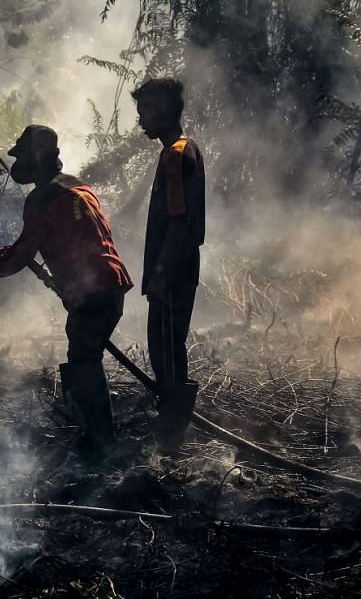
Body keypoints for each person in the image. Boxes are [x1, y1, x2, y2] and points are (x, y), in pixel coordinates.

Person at [0, 125, 133, 454]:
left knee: (83, 363)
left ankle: (101, 447)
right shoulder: (76, 186)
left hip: (94, 289)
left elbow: (23, 254)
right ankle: (94, 439)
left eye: (22, 157)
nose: (16, 165)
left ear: (38, 157)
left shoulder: (43, 197)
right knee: (83, 357)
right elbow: (30, 246)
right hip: (109, 284)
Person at [131, 78, 205, 451]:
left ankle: (173, 434)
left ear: (161, 110)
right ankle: (172, 427)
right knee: (168, 347)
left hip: (172, 272)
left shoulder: (176, 154)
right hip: (179, 269)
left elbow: (180, 221)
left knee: (165, 350)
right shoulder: (182, 149)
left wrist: (160, 272)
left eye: (144, 111)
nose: (141, 120)